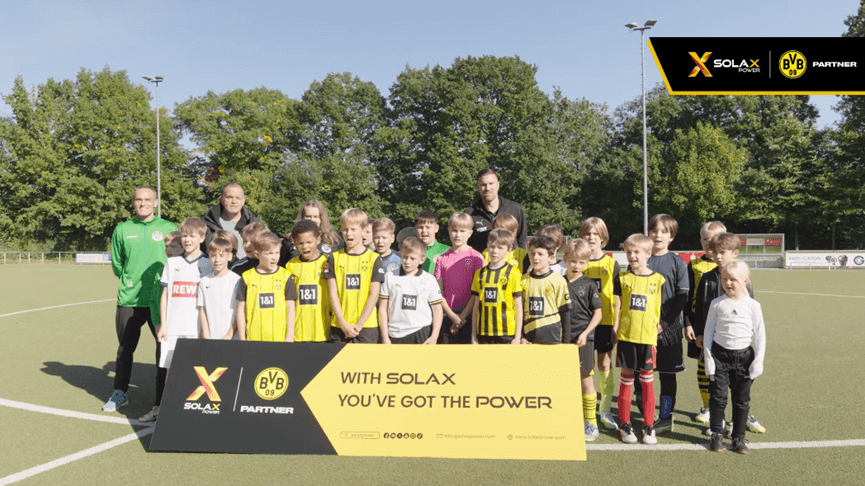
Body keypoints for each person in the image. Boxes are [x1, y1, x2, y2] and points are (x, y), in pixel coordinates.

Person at [104, 186, 176, 413]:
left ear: (155, 202)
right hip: (130, 298)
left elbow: (177, 259)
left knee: (163, 349)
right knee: (125, 348)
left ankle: (162, 399)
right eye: (138, 200)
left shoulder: (169, 228)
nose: (143, 203)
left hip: (160, 299)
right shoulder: (122, 229)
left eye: (147, 199)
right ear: (133, 203)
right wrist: (130, 279)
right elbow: (117, 263)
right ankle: (120, 392)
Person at [694, 232, 765, 436]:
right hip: (715, 342)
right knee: (716, 385)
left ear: (734, 253)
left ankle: (738, 420)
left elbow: (750, 310)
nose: (717, 257)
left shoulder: (743, 280)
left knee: (740, 387)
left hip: (739, 346)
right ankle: (716, 419)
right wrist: (698, 330)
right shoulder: (707, 278)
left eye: (722, 253)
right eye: (714, 252)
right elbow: (699, 305)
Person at [144, 218, 212, 423]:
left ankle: (193, 415)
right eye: (184, 236)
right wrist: (163, 324)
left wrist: (205, 329)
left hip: (195, 328)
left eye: (192, 236)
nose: (187, 240)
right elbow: (165, 295)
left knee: (197, 372)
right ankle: (170, 415)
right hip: (173, 328)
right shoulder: (172, 263)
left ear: (202, 238)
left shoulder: (208, 264)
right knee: (170, 372)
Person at [704, 261, 766, 454]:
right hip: (719, 356)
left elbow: (760, 335)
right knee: (718, 398)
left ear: (745, 281)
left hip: (744, 358)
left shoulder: (753, 306)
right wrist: (709, 360)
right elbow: (708, 333)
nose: (728, 283)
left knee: (741, 400)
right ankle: (716, 434)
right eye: (724, 279)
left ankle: (738, 438)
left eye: (733, 279)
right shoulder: (717, 304)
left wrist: (758, 361)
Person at [613, 233, 665, 445]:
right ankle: (625, 424)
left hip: (647, 338)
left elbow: (664, 306)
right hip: (627, 336)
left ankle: (648, 425)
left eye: (636, 252)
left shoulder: (658, 279)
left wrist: (661, 325)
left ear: (648, 254)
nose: (632, 256)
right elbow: (618, 304)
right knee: (626, 379)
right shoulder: (622, 279)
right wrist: (616, 325)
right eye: (628, 252)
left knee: (647, 382)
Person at [644, 214, 689, 435]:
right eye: (654, 230)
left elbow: (682, 298)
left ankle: (665, 416)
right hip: (642, 328)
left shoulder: (677, 262)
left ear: (671, 236)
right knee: (641, 374)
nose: (658, 235)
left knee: (667, 376)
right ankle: (645, 415)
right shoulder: (641, 258)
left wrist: (664, 323)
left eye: (664, 231)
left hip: (669, 330)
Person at [579, 217, 621, 431]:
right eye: (587, 233)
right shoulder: (579, 261)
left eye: (596, 234)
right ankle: (584, 408)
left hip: (605, 322)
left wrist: (616, 323)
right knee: (584, 367)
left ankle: (605, 410)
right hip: (582, 323)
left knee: (604, 364)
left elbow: (617, 297)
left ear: (603, 238)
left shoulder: (611, 264)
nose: (591, 237)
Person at [324, 208, 385, 343]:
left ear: (364, 231)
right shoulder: (334, 258)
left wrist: (359, 325)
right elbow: (333, 294)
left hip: (366, 326)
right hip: (339, 326)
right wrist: (343, 324)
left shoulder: (374, 259)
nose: (348, 233)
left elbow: (374, 295)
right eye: (345, 229)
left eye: (353, 229)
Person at [563, 239, 603, 441]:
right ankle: (568, 418)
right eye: (572, 261)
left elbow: (598, 313)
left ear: (586, 262)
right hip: (561, 339)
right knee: (563, 380)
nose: (576, 266)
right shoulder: (557, 282)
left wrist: (585, 333)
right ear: (564, 259)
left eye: (581, 262)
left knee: (585, 378)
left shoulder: (589, 285)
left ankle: (591, 422)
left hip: (583, 339)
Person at [686, 221, 726, 424]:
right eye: (704, 239)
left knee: (725, 366)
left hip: (725, 323)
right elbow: (687, 297)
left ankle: (725, 406)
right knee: (703, 364)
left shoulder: (731, 265)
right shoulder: (694, 265)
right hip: (699, 323)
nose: (708, 243)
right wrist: (687, 323)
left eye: (713, 239)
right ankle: (707, 405)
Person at [379, 237, 444, 344]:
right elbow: (382, 308)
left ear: (422, 260)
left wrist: (434, 336)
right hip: (395, 333)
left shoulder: (429, 280)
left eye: (412, 258)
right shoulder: (389, 277)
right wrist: (385, 337)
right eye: (405, 257)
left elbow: (437, 309)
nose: (407, 262)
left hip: (421, 332)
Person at [433, 213, 486, 344]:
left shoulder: (477, 258)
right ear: (448, 231)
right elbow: (438, 293)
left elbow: (477, 293)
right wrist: (452, 316)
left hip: (471, 316)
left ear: (470, 233)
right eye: (454, 230)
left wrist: (461, 317)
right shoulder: (441, 259)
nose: (458, 235)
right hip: (447, 315)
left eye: (462, 231)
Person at [236, 232, 297, 342]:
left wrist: (289, 337)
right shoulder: (247, 277)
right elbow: (241, 310)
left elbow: (291, 309)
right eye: (269, 253)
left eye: (277, 252)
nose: (274, 257)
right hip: (253, 340)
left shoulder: (286, 276)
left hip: (280, 340)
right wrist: (242, 338)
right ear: (258, 254)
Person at [470, 229, 523, 345]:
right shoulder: (479, 273)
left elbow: (518, 306)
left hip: (506, 333)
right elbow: (476, 306)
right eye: (492, 246)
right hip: (483, 332)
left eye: (500, 248)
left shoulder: (513, 273)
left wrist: (517, 336)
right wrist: (473, 335)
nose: (494, 251)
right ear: (487, 246)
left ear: (509, 250)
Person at [286, 220, 331, 343]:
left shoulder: (327, 262)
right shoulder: (290, 266)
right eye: (300, 243)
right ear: (294, 243)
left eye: (309, 242)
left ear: (318, 239)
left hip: (323, 332)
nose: (305, 246)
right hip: (298, 333)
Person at [520, 235, 570, 344]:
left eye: (540, 254)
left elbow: (565, 312)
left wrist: (566, 342)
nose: (535, 257)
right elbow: (518, 312)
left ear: (551, 257)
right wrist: (521, 337)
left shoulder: (559, 281)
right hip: (528, 340)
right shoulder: (522, 281)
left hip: (553, 339)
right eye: (532, 253)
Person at [466, 168, 528, 252]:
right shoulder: (469, 214)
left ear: (498, 185)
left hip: (513, 259)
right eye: (483, 185)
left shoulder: (514, 208)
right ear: (478, 187)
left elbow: (522, 241)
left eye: (491, 183)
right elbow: (466, 245)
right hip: (482, 260)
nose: (487, 188)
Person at [198, 233, 241, 341]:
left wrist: (229, 335)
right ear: (209, 257)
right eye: (213, 256)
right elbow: (202, 309)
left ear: (229, 256)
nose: (217, 260)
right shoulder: (204, 281)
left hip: (232, 339)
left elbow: (239, 310)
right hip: (211, 339)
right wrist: (206, 334)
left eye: (221, 256)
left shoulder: (237, 280)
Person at [202, 182, 261, 258]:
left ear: (243, 200)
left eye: (238, 198)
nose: (234, 202)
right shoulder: (206, 224)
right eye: (229, 197)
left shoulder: (255, 224)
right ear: (221, 199)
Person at [280, 200, 344, 265]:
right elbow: (281, 266)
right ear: (302, 218)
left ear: (321, 219)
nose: (312, 220)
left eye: (315, 217)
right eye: (308, 216)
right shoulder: (290, 240)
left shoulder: (334, 238)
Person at [414, 210, 450, 275]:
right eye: (420, 227)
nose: (424, 231)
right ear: (415, 229)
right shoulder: (411, 251)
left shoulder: (447, 251)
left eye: (428, 227)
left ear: (436, 228)